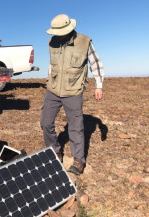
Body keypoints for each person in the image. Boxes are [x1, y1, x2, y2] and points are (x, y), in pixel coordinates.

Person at [40, 14, 104, 175]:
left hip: (73, 90)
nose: (58, 35)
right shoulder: (52, 41)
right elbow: (52, 61)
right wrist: (49, 76)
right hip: (53, 90)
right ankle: (55, 151)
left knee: (76, 128)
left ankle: (78, 160)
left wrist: (99, 85)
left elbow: (96, 63)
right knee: (45, 122)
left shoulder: (84, 42)